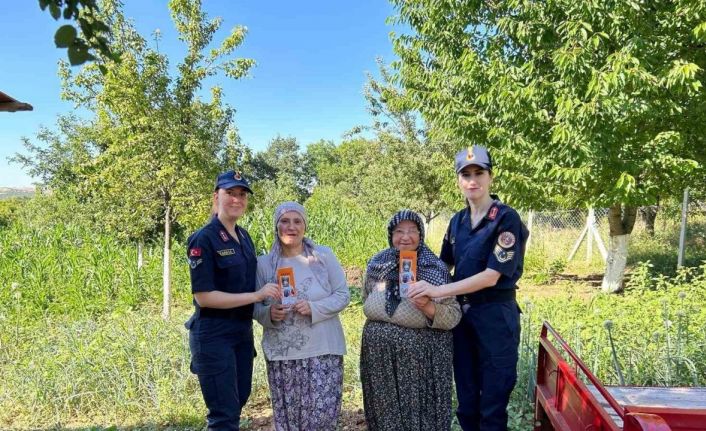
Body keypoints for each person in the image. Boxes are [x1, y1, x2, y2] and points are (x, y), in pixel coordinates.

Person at [409, 146, 528, 431]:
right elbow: (442, 267)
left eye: (479, 173)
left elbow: (491, 275)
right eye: (466, 174)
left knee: (493, 402)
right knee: (466, 401)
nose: (473, 180)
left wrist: (438, 292)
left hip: (495, 315)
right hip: (462, 317)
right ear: (458, 181)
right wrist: (403, 270)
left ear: (490, 177)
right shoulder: (457, 222)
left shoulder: (505, 218)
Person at [185, 170, 280, 431]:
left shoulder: (244, 236)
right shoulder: (203, 238)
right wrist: (257, 297)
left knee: (238, 401)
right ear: (216, 196)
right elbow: (204, 297)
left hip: (241, 332)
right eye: (230, 193)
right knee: (223, 414)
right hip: (214, 335)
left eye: (242, 194)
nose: (237, 199)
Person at [360, 209, 461, 431]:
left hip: (420, 364)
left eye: (412, 231)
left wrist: (428, 306)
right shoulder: (377, 264)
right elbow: (366, 298)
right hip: (381, 362)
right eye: (399, 231)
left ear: (421, 234)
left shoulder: (435, 268)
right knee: (386, 416)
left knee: (420, 419)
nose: (405, 237)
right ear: (390, 234)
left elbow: (453, 315)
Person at [254, 201, 350, 431]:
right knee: (290, 423)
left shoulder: (323, 256)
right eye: (285, 221)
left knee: (321, 420)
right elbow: (254, 307)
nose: (291, 227)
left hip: (323, 352)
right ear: (276, 226)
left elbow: (342, 295)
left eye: (297, 221)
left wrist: (314, 308)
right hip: (283, 357)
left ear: (305, 226)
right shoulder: (264, 264)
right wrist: (269, 313)